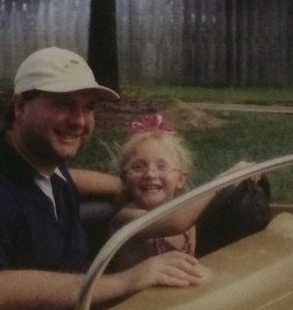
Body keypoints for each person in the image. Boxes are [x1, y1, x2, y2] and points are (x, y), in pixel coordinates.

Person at [0, 47, 206, 310]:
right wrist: (126, 280)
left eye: (88, 108)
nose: (79, 121)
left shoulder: (53, 175)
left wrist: (125, 188)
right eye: (63, 104)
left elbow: (74, 179)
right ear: (20, 106)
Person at [109, 113, 260, 270]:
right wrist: (224, 180)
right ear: (124, 179)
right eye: (138, 167)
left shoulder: (187, 213)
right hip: (139, 287)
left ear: (180, 179)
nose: (150, 174)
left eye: (161, 166)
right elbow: (174, 223)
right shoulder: (125, 218)